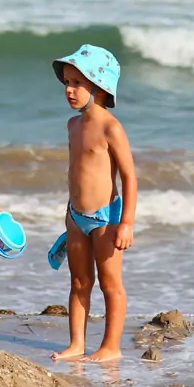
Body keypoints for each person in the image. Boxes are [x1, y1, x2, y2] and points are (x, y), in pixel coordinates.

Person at [48, 44, 138, 362]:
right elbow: (77, 173)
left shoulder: (110, 128)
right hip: (76, 217)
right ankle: (76, 343)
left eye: (77, 84)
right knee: (79, 281)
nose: (69, 90)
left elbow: (129, 177)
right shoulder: (73, 126)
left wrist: (126, 222)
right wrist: (69, 213)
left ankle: (111, 346)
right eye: (67, 83)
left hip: (106, 218)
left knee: (110, 283)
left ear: (98, 87)